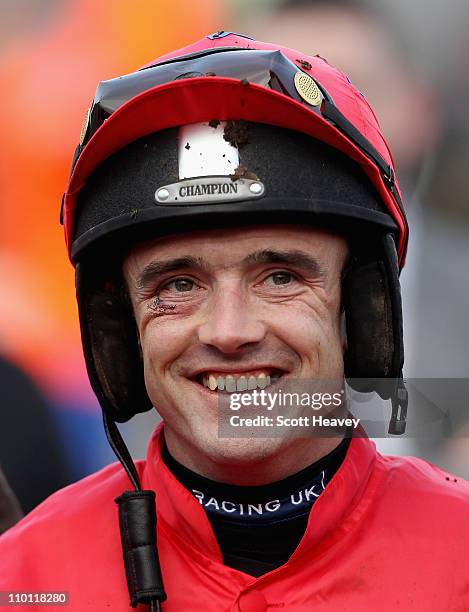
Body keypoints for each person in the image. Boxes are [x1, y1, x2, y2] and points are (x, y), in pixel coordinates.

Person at [0, 32, 468, 611]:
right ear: (118, 332)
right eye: (179, 285)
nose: (229, 331)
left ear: (361, 310)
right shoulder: (24, 578)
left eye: (279, 277)